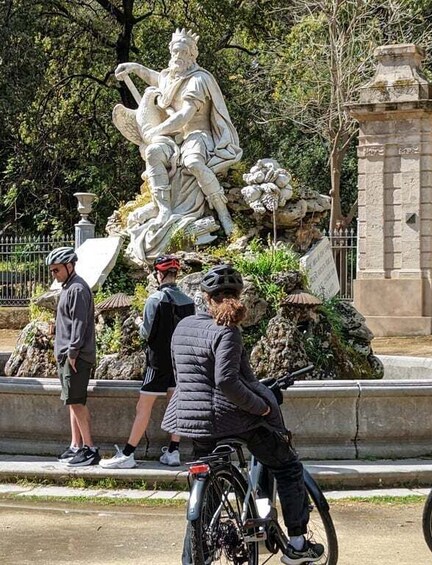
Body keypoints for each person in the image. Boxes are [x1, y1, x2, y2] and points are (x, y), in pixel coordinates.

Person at [162, 264, 324, 565]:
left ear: (204, 297)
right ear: (238, 296)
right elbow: (226, 383)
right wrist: (262, 406)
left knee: (208, 488)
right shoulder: (228, 331)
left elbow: (188, 377)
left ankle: (195, 557)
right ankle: (298, 545)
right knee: (287, 466)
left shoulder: (182, 327)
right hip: (230, 419)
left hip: (191, 422)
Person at [114, 28, 241, 234]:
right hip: (173, 137)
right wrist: (135, 67)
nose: (178, 56)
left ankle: (223, 213)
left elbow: (184, 116)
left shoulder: (198, 80)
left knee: (192, 162)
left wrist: (157, 130)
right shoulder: (171, 78)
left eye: (183, 52)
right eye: (175, 52)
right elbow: (156, 79)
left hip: (198, 135)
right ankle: (163, 209)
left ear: (192, 55)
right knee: (153, 152)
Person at [100, 255, 195, 469]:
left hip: (156, 362)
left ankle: (128, 454)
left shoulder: (154, 300)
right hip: (178, 362)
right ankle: (173, 451)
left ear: (159, 274)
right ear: (176, 274)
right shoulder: (189, 301)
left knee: (143, 407)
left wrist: (137, 322)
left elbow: (146, 333)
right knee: (175, 406)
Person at [48, 247, 100, 467]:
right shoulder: (69, 287)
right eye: (52, 271)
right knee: (72, 401)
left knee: (77, 402)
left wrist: (72, 352)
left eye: (56, 270)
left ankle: (90, 449)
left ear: (69, 266)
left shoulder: (77, 289)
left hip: (75, 357)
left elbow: (80, 324)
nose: (54, 274)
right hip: (68, 355)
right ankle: (76, 446)